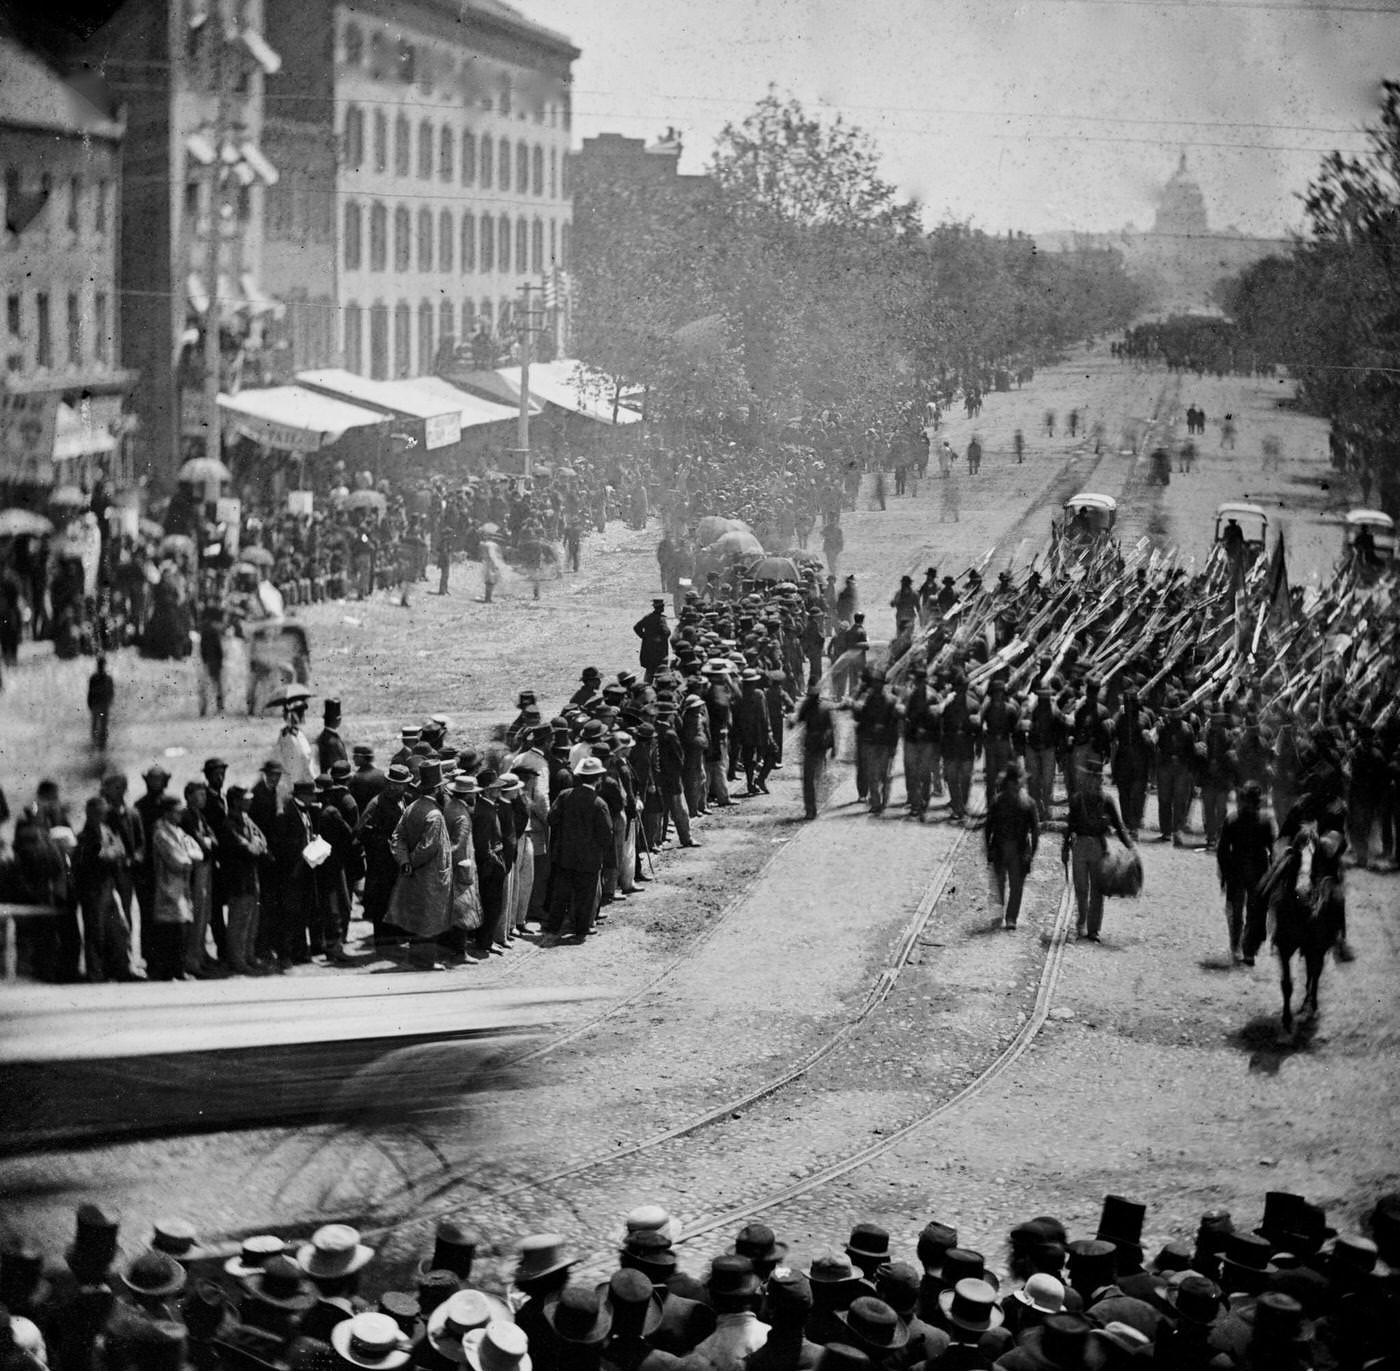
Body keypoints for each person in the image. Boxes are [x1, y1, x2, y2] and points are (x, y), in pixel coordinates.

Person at [1061, 760, 1133, 942]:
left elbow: (1119, 826)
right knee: (1082, 889)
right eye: (1092, 778)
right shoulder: (1077, 800)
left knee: (1097, 891)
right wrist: (1065, 847)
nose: (1095, 782)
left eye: (1097, 778)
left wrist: (1130, 847)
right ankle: (1082, 924)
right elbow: (1070, 826)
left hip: (1098, 847)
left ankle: (1093, 930)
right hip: (1081, 846)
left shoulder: (1107, 800)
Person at [545, 757, 614, 944]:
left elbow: (552, 819)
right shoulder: (599, 803)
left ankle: (553, 926)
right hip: (589, 859)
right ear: (598, 779)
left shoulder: (565, 795)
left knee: (560, 894)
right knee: (586, 895)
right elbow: (606, 834)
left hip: (564, 855)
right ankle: (581, 929)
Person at [1216, 781, 1275, 967]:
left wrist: (1225, 874)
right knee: (1250, 912)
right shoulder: (1264, 821)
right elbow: (1273, 850)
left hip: (1240, 870)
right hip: (1254, 871)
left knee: (1241, 911)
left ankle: (1240, 948)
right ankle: (1245, 950)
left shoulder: (1233, 820)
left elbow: (1223, 851)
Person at [984, 766, 1039, 931]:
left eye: (1017, 783)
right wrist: (989, 847)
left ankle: (1011, 918)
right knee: (1001, 883)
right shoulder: (998, 801)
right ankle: (1002, 913)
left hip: (1019, 849)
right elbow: (989, 827)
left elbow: (1035, 830)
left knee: (1016, 886)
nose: (1015, 786)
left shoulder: (1028, 803)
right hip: (1001, 847)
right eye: (1012, 783)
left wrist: (1031, 853)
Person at [794, 687, 836, 821]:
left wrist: (833, 746)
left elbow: (831, 728)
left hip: (815, 745)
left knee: (811, 779)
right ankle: (811, 808)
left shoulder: (811, 706)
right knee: (813, 778)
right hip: (816, 746)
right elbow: (832, 728)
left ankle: (811, 808)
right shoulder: (822, 707)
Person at [633, 599, 671, 684]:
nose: (663, 608)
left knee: (650, 669)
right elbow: (666, 632)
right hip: (660, 650)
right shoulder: (661, 619)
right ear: (660, 608)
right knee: (661, 669)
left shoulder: (647, 617)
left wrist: (645, 637)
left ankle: (646, 685)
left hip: (648, 649)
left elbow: (636, 627)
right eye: (662, 607)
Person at [87, 656, 115, 750]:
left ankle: (98, 744)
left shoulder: (96, 677)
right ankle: (100, 744)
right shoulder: (106, 678)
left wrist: (90, 703)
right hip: (100, 704)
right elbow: (111, 692)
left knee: (99, 724)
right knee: (100, 724)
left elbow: (90, 692)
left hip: (99, 704)